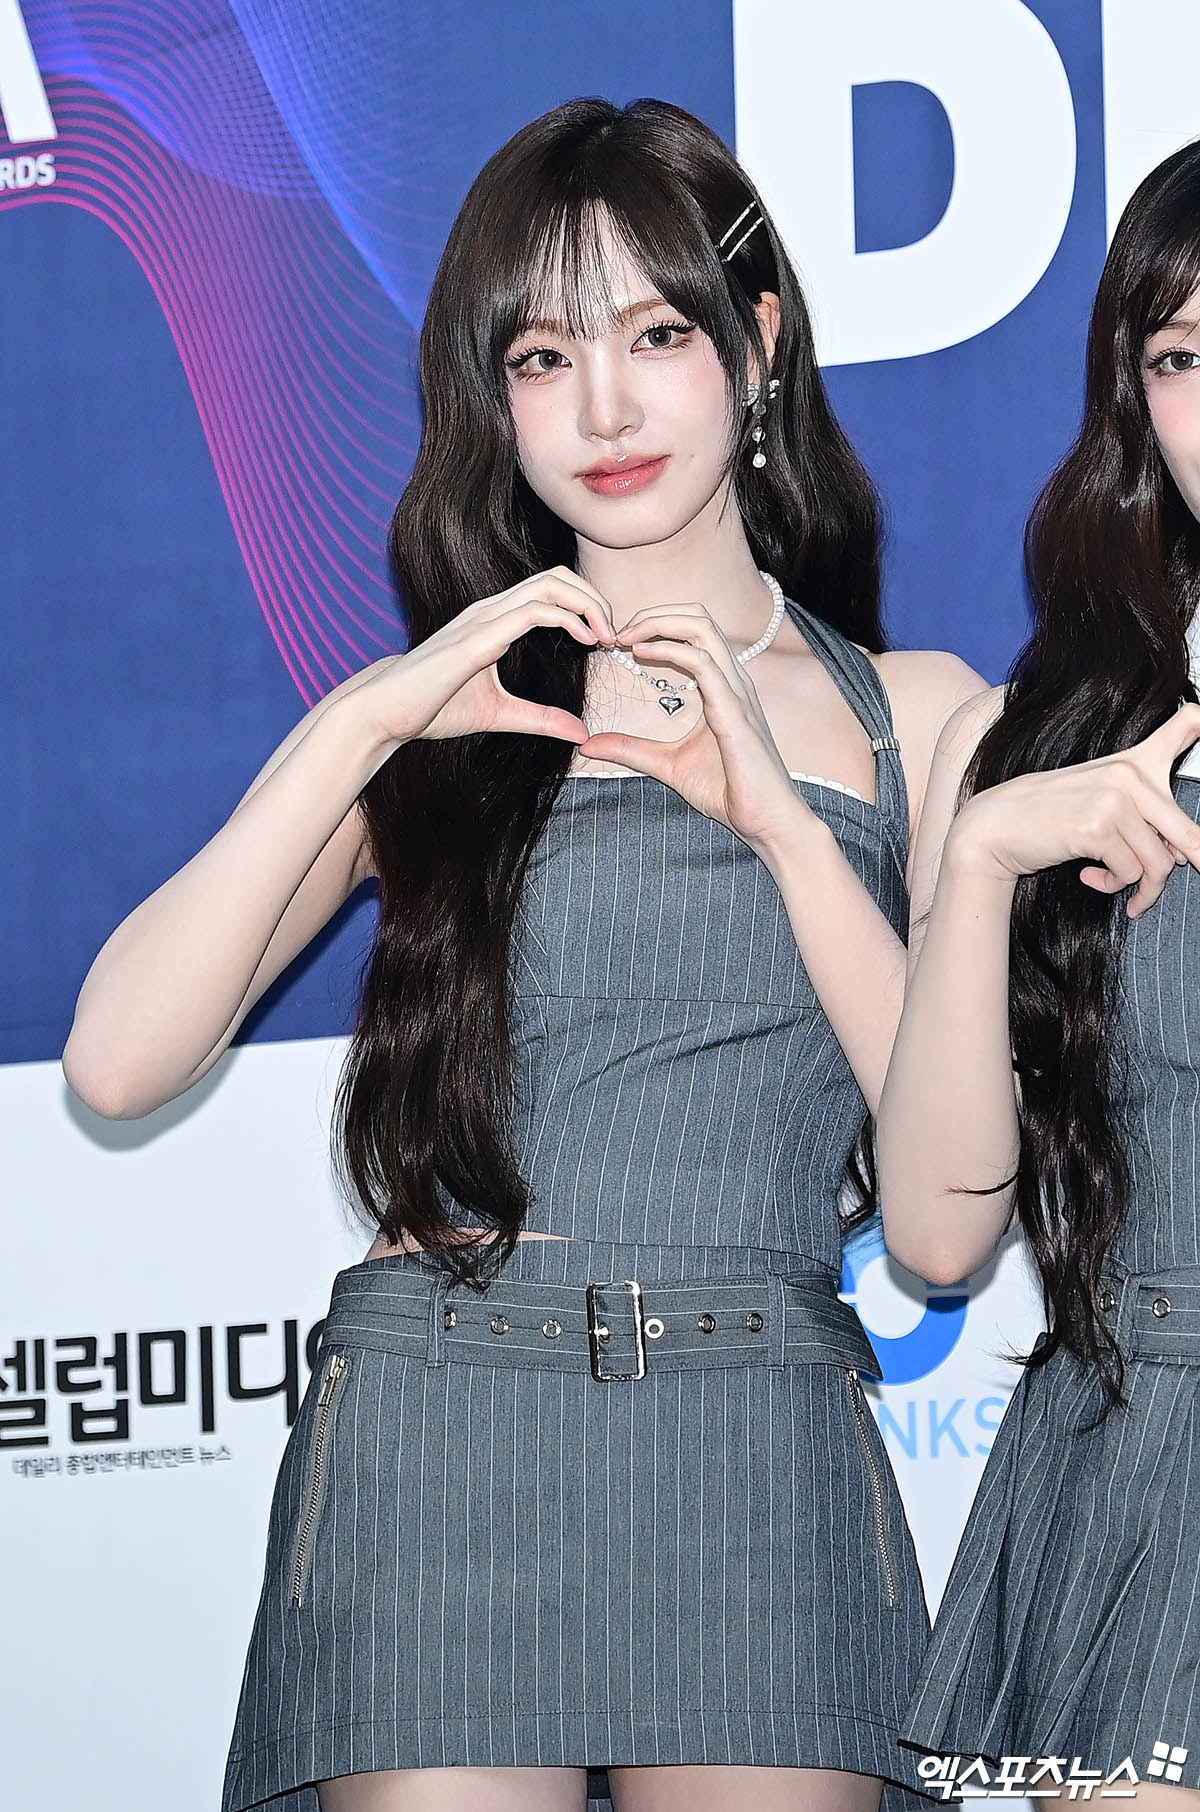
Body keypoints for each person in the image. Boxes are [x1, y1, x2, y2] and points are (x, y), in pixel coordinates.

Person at [63, 97, 986, 1812]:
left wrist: (789, 832)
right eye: (545, 358)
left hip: (755, 1431)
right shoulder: (446, 715)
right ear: (494, 401)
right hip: (441, 1427)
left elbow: (946, 1226)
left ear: (758, 341)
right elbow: (117, 1061)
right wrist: (364, 718)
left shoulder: (917, 720)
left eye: (656, 336)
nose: (606, 409)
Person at [872, 139, 1200, 1806]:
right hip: (1144, 1448)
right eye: (1184, 357)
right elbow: (937, 1240)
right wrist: (989, 853)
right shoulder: (1030, 746)